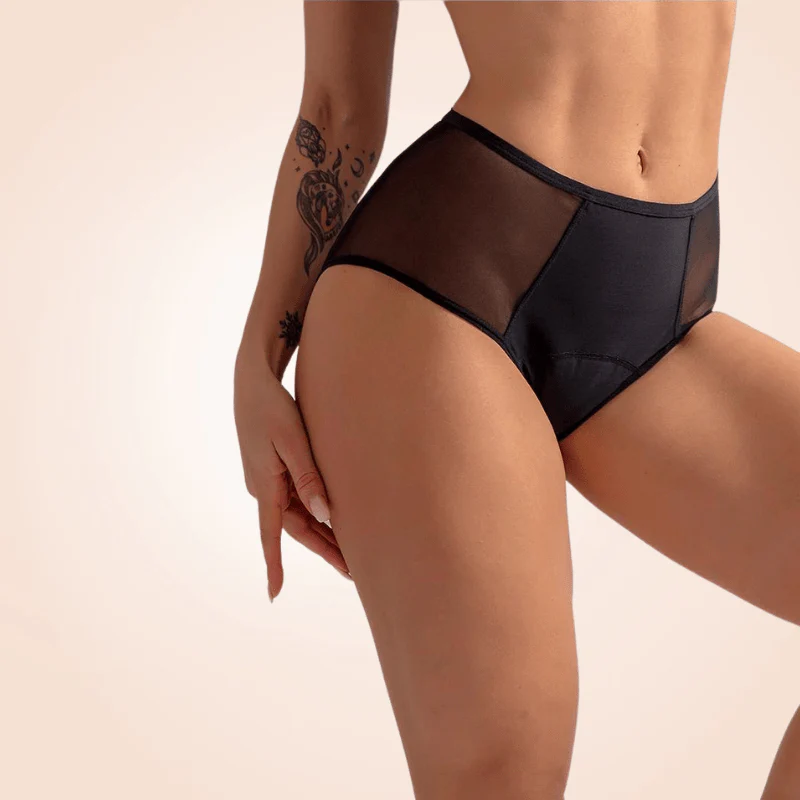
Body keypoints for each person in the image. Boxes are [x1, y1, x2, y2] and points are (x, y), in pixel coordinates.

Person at [233, 2, 799, 797]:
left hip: (664, 304)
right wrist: (257, 364)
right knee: (504, 774)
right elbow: (338, 104)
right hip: (446, 280)